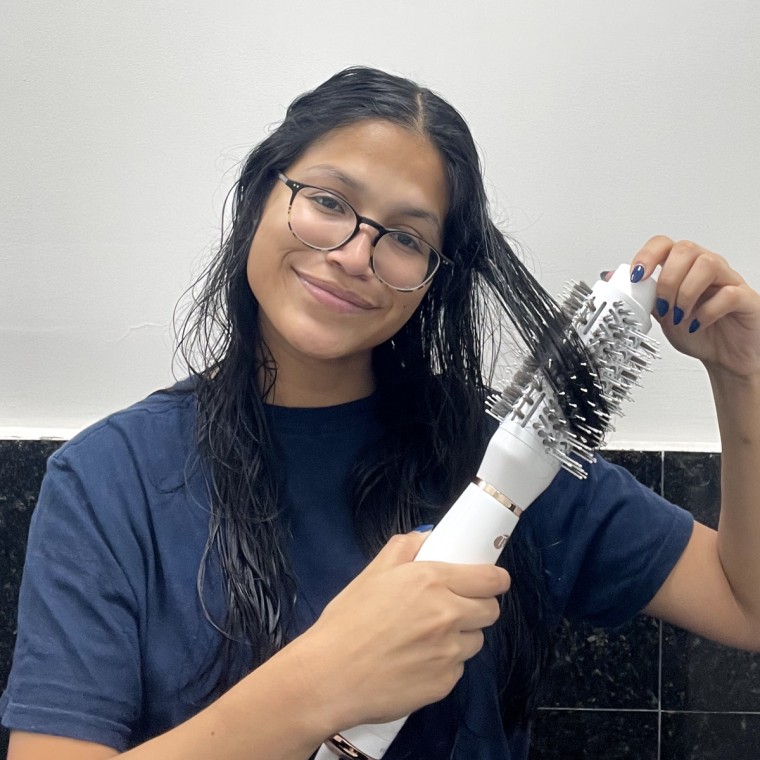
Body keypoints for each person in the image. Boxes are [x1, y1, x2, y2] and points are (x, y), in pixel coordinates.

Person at [2, 66, 760, 760]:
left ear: (433, 278)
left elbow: (744, 605)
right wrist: (318, 683)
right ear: (260, 197)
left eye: (404, 237)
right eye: (328, 202)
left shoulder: (510, 456)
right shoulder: (109, 481)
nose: (355, 254)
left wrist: (744, 377)